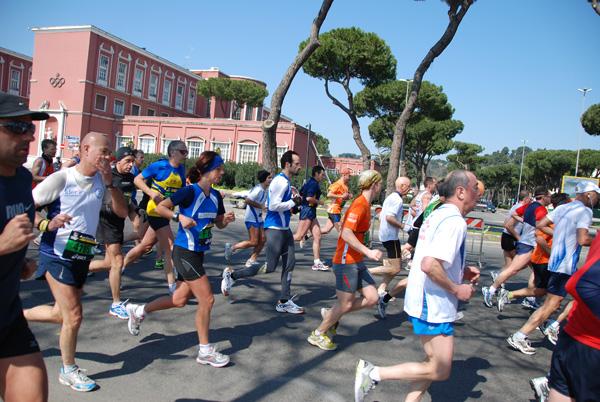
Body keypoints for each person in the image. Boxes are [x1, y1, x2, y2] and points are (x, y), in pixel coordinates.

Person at [354, 169, 481, 402]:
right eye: (475, 187)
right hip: (432, 301)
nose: (479, 193)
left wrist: (461, 271)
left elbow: (431, 258)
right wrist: (457, 289)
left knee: (433, 362)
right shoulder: (455, 221)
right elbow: (429, 265)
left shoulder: (438, 212)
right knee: (440, 369)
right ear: (461, 191)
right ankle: (373, 373)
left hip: (425, 296)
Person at [23, 132, 128, 392]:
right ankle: (68, 370)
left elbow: (122, 212)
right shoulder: (61, 178)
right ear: (85, 149)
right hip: (55, 253)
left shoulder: (102, 183)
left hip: (81, 255)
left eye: (109, 153)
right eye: (103, 151)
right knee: (74, 315)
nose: (107, 157)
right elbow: (27, 205)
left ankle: (14, 316)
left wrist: (110, 183)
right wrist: (46, 223)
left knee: (62, 314)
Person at [125, 151, 235, 367]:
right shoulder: (188, 192)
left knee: (179, 300)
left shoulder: (215, 196)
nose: (221, 173)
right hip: (184, 253)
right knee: (207, 299)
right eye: (218, 169)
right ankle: (205, 351)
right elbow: (160, 207)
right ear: (205, 170)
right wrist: (179, 216)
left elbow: (219, 223)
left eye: (222, 169)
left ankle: (138, 311)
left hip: (198, 253)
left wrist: (226, 220)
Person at [507, 181, 597, 355]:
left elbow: (541, 225)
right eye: (596, 195)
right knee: (552, 304)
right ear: (588, 194)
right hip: (564, 265)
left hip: (556, 262)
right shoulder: (585, 211)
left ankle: (553, 324)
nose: (597, 199)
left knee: (580, 296)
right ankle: (521, 335)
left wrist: (562, 234)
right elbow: (583, 239)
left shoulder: (563, 208)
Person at [0, 93, 50, 402]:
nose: (29, 136)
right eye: (17, 127)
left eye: (30, 128)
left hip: (8, 317)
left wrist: (17, 264)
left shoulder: (21, 179)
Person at [307, 170, 384, 351]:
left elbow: (355, 233)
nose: (382, 186)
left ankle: (332, 313)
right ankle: (317, 334)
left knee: (372, 298)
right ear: (373, 185)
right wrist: (368, 251)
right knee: (346, 303)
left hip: (356, 261)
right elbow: (346, 232)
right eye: (380, 183)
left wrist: (364, 241)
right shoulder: (359, 205)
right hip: (345, 261)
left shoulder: (365, 204)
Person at [221, 150, 305, 314]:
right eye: (297, 164)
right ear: (287, 164)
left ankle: (284, 301)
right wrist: (291, 202)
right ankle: (233, 276)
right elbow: (273, 206)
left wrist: (294, 206)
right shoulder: (281, 182)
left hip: (284, 229)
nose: (299, 166)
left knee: (290, 263)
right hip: (274, 229)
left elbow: (282, 205)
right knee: (270, 267)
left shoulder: (285, 181)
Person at [121, 141, 188, 294]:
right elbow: (137, 179)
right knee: (170, 247)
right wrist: (151, 193)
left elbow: (182, 192)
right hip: (155, 211)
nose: (186, 155)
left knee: (145, 246)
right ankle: (172, 286)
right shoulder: (160, 166)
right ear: (172, 152)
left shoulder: (181, 170)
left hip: (166, 213)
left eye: (186, 152)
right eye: (183, 152)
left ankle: (120, 267)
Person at [88, 147, 145, 319]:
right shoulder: (106, 176)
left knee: (108, 262)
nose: (130, 165)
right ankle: (116, 304)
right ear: (117, 161)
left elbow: (128, 201)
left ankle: (77, 267)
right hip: (106, 221)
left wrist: (136, 212)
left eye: (132, 161)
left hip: (118, 222)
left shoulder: (130, 178)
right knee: (118, 261)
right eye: (127, 161)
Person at [545, 233, 600, 401]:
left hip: (575, 338)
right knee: (549, 303)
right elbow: (581, 284)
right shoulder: (581, 211)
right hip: (589, 347)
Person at [496, 193, 570, 313]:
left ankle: (524, 299)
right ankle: (496, 290)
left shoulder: (559, 218)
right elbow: (539, 237)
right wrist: (552, 254)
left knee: (541, 288)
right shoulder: (551, 218)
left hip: (544, 259)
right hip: (543, 259)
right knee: (547, 291)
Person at [483, 186, 552, 308]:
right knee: (512, 269)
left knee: (535, 271)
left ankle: (531, 298)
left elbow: (515, 214)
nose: (550, 199)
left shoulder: (529, 206)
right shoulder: (541, 209)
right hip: (529, 244)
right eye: (549, 197)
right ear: (544, 196)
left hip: (529, 243)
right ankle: (490, 290)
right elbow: (541, 226)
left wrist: (525, 222)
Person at [368, 176, 412, 296]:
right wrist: (404, 227)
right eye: (408, 186)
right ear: (402, 186)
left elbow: (382, 216)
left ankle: (381, 289)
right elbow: (389, 218)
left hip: (387, 235)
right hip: (390, 237)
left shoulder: (391, 197)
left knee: (393, 266)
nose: (410, 189)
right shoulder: (397, 200)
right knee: (396, 268)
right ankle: (365, 271)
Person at [224, 169, 271, 267]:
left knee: (263, 239)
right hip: (251, 218)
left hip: (258, 219)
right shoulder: (258, 189)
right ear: (264, 179)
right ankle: (232, 247)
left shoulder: (263, 190)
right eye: (269, 178)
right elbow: (247, 200)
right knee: (254, 242)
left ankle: (252, 260)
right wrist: (261, 206)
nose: (271, 179)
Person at [294, 165, 330, 271]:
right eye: (322, 175)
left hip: (311, 211)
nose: (323, 177)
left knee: (318, 236)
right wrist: (320, 202)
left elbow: (300, 194)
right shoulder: (314, 184)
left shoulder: (309, 183)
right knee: (299, 236)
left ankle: (316, 262)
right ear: (316, 174)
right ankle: (276, 243)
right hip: (308, 211)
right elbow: (309, 198)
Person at [494, 190, 532, 282]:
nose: (531, 201)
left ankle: (497, 277)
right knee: (522, 264)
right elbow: (508, 225)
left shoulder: (514, 207)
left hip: (506, 236)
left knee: (509, 265)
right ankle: (497, 276)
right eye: (530, 199)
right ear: (525, 199)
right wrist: (518, 237)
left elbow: (505, 224)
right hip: (511, 238)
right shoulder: (520, 209)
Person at [321, 168, 353, 235]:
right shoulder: (337, 184)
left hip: (338, 210)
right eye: (349, 176)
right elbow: (329, 194)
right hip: (334, 210)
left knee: (326, 230)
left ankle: (306, 236)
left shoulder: (346, 186)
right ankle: (343, 245)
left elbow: (343, 198)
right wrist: (341, 196)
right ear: (344, 175)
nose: (350, 178)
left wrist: (348, 197)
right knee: (342, 232)